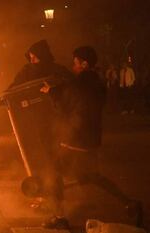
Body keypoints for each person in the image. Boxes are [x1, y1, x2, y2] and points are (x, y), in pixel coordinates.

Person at [41, 46, 142, 228]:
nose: (74, 67)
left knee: (54, 172)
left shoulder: (78, 84)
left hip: (75, 140)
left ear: (85, 64)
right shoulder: (96, 83)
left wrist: (52, 93)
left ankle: (58, 217)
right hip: (90, 139)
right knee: (91, 176)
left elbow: (66, 107)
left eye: (76, 63)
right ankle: (129, 201)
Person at [7, 39, 72, 88]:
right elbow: (16, 84)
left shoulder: (57, 70)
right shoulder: (26, 71)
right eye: (30, 57)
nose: (31, 61)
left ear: (42, 56)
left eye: (35, 57)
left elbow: (69, 83)